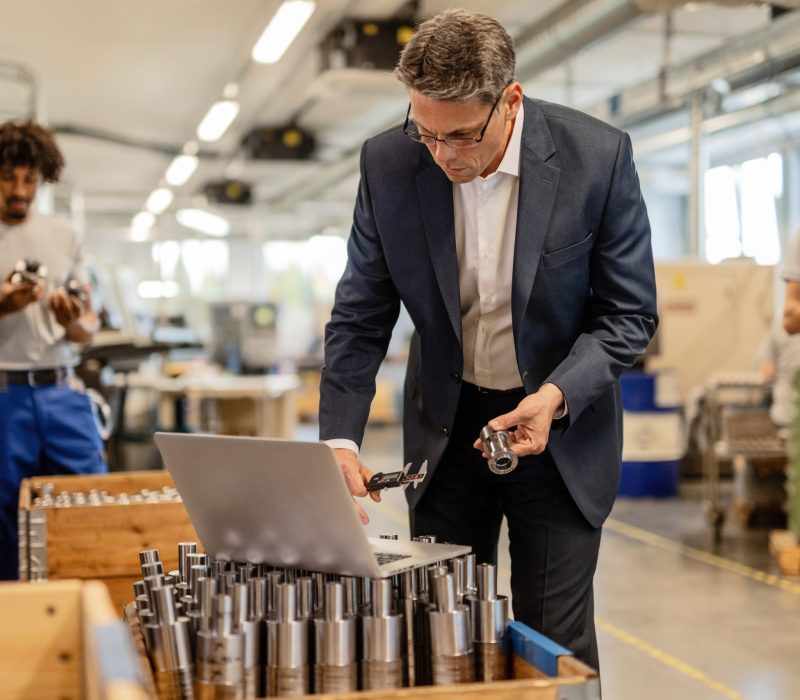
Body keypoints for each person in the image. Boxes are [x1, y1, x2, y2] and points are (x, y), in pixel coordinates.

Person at [319, 9, 657, 668]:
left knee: (554, 646)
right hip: (446, 434)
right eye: (426, 132)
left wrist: (557, 395)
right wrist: (338, 441)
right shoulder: (388, 163)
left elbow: (629, 314)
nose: (443, 155)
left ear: (511, 101)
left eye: (463, 136)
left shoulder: (596, 158)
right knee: (443, 640)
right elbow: (361, 314)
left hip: (556, 431)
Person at [0, 120, 106, 580]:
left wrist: (72, 321)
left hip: (62, 392)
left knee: (91, 505)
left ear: (43, 178)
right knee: (4, 519)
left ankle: (92, 609)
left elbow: (87, 329)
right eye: (7, 177)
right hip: (4, 399)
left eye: (29, 179)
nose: (19, 190)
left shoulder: (64, 235)